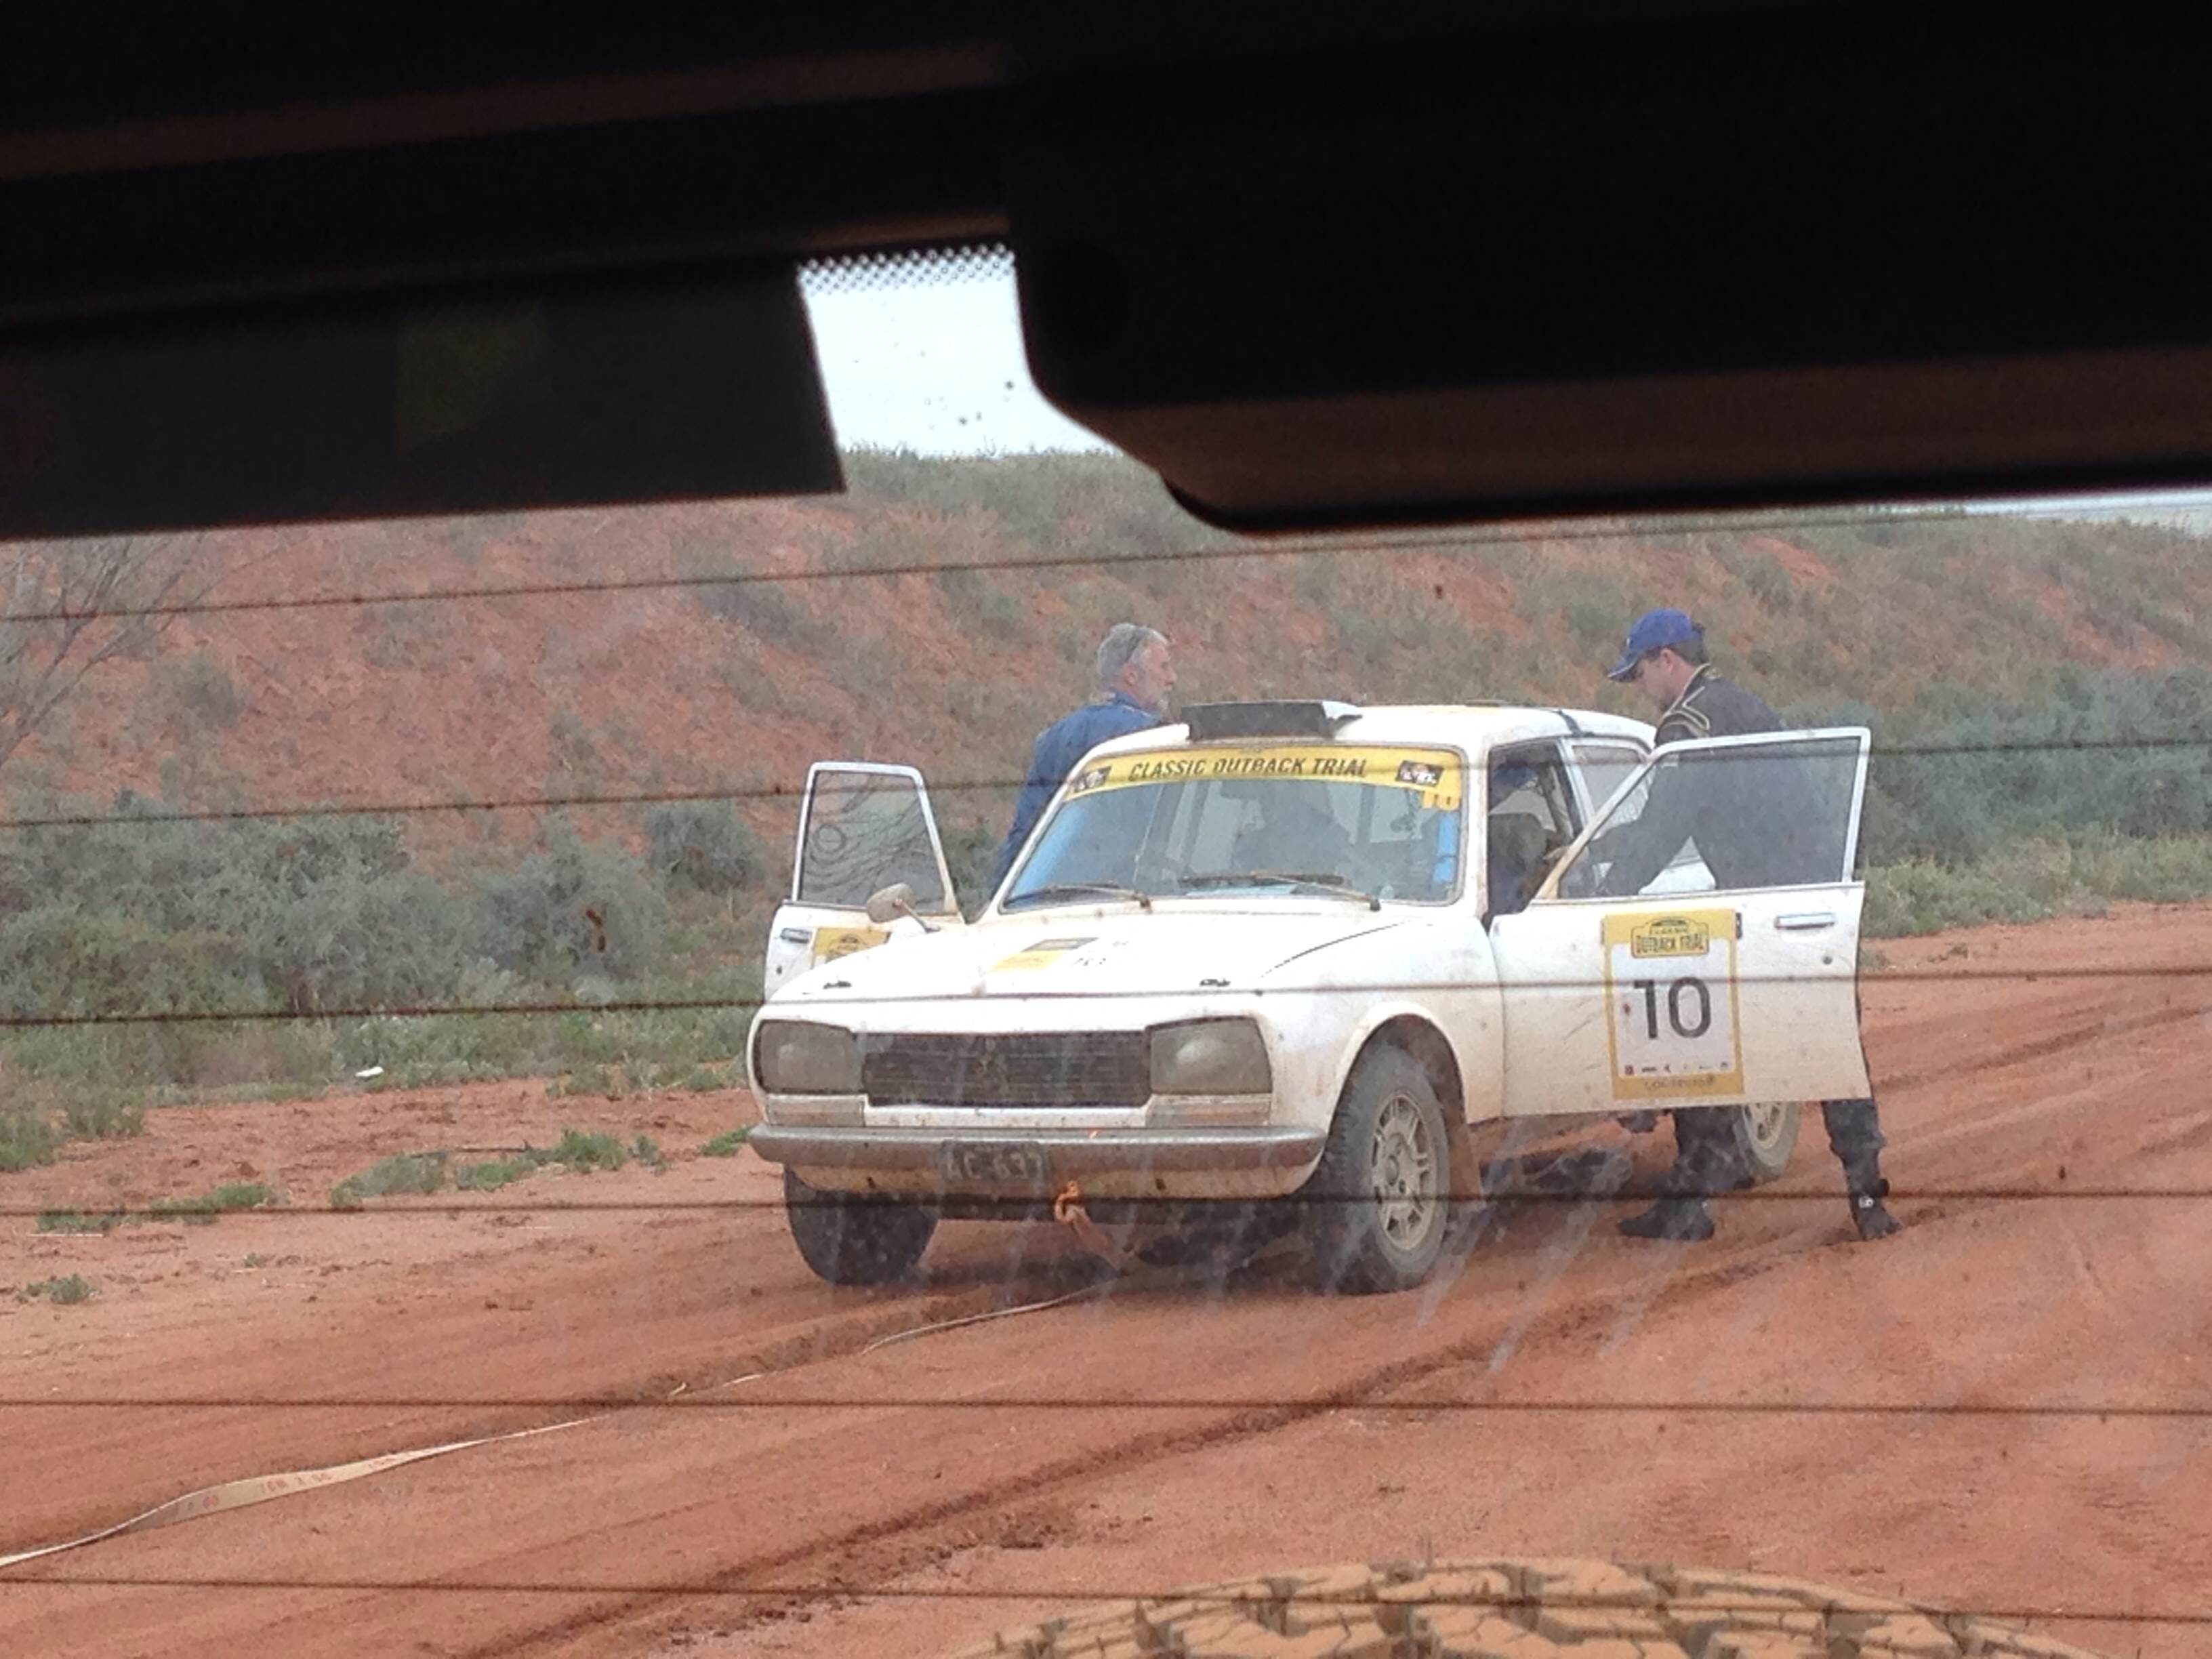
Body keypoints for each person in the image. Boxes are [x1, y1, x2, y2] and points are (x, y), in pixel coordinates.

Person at [1597, 608, 1902, 1245]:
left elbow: (1660, 832)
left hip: (1758, 908)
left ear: (1666, 661)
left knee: (1696, 1042)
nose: (1640, 690)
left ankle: (1691, 1201)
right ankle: (1867, 1194)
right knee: (1829, 1046)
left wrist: (1602, 891)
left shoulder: (1687, 727)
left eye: (1639, 675)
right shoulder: (1744, 705)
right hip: (1812, 900)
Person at [989, 623, 1174, 890]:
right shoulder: (1153, 738)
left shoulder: (1055, 736)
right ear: (1131, 675)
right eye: (1164, 667)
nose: (1171, 679)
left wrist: (1003, 893)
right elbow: (1161, 831)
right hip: (1124, 895)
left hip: (1047, 894)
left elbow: (1025, 830)